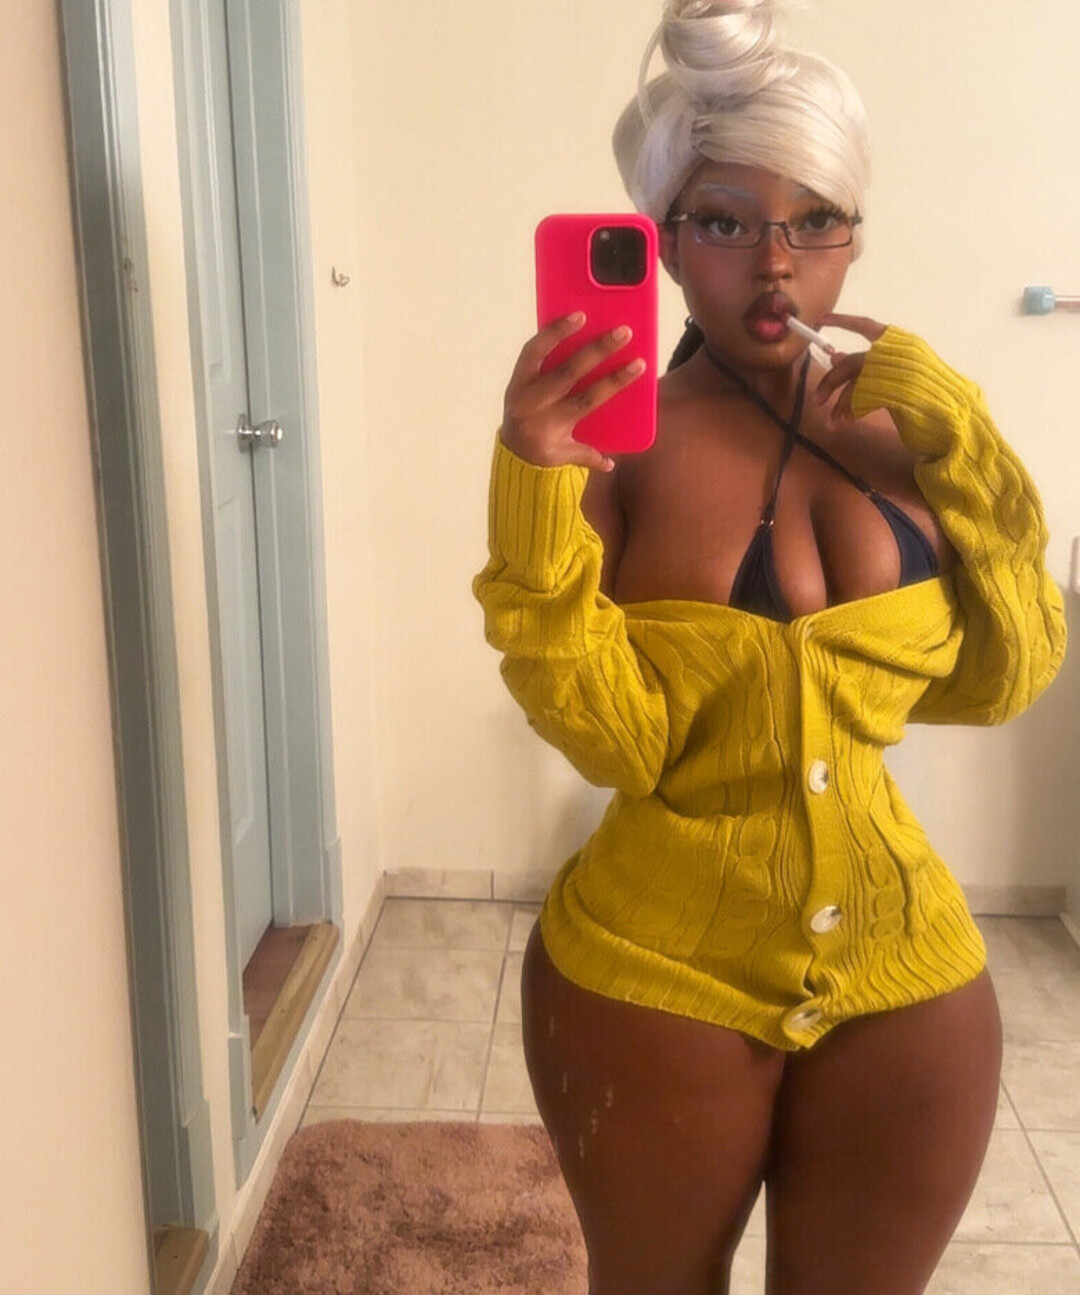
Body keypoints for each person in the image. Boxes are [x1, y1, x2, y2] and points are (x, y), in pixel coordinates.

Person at [472, 2, 1067, 1291]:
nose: (778, 263)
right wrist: (533, 482)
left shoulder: (910, 436)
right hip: (654, 966)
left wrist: (968, 443)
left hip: (908, 971)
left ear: (856, 233)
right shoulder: (613, 446)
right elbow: (617, 743)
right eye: (729, 221)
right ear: (666, 241)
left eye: (816, 218)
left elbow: (1000, 681)